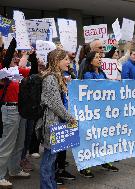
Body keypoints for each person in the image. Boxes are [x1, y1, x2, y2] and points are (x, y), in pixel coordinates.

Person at [38, 49, 77, 189]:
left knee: (52, 159)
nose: (68, 62)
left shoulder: (56, 77)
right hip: (52, 123)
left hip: (56, 122)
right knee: (48, 160)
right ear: (56, 60)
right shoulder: (51, 79)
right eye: (66, 59)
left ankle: (51, 185)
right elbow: (55, 104)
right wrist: (69, 118)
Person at [79, 51, 119, 175]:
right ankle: (85, 165)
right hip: (91, 111)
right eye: (96, 57)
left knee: (102, 137)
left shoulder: (101, 73)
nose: (100, 59)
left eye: (100, 57)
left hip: (103, 111)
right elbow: (94, 89)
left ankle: (104, 160)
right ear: (91, 61)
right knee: (89, 138)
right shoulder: (87, 75)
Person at [0, 38, 31, 188]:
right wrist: (15, 39)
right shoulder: (2, 69)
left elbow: (33, 71)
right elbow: (6, 57)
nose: (15, 58)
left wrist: (31, 55)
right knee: (7, 144)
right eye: (12, 57)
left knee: (19, 142)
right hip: (9, 109)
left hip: (19, 109)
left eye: (15, 57)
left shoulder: (16, 69)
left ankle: (14, 169)